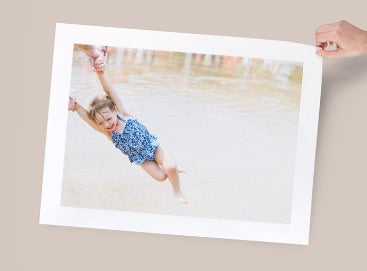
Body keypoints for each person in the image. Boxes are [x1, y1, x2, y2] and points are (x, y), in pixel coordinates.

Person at [68, 56, 187, 203]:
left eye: (108, 119)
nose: (106, 124)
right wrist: (76, 107)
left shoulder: (123, 114)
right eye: (101, 123)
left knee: (171, 166)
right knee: (161, 177)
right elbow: (89, 120)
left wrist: (101, 75)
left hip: (153, 146)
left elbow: (109, 91)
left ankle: (177, 191)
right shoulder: (109, 133)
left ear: (115, 110)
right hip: (141, 158)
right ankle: (172, 172)